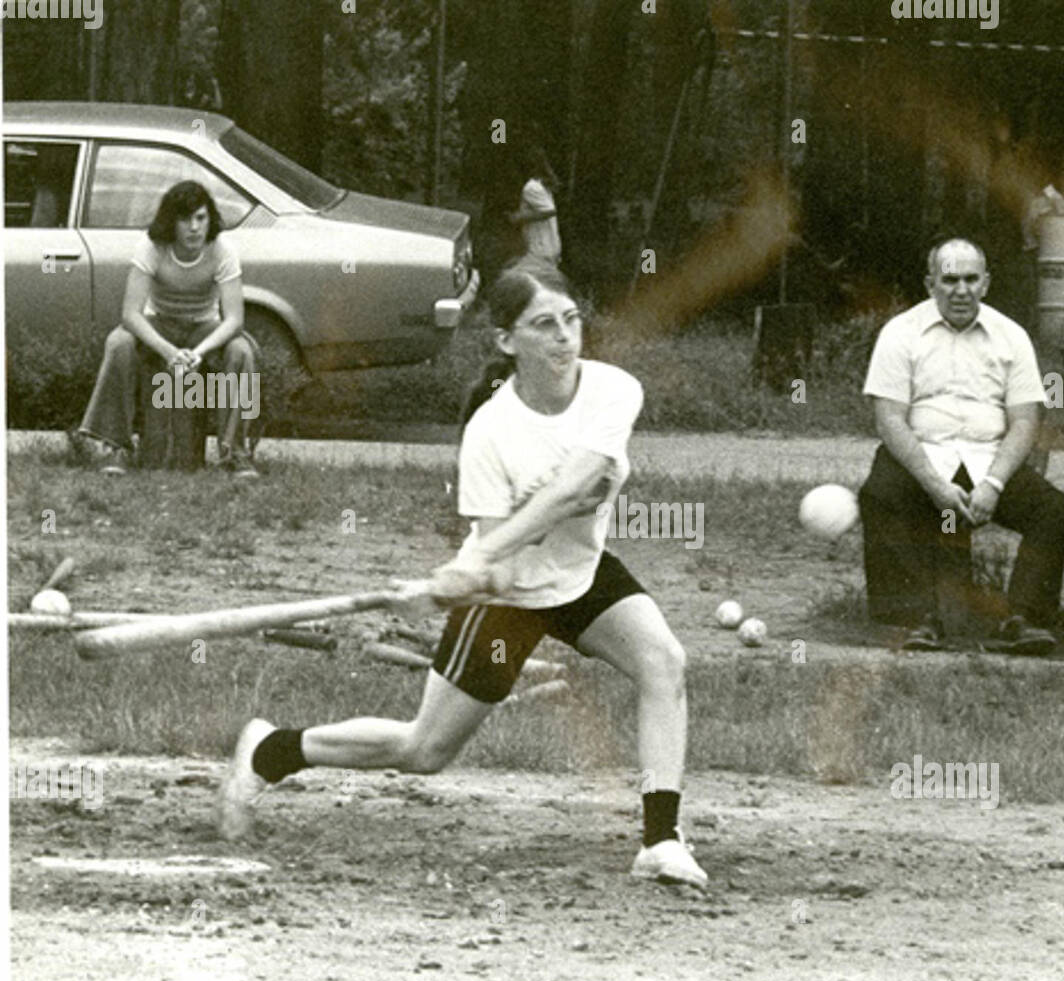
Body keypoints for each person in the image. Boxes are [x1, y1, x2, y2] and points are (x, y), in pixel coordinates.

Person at [217, 262, 708, 888]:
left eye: (571, 320)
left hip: (582, 578)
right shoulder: (490, 434)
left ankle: (660, 840)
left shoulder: (613, 390)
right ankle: (270, 749)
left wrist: (472, 558)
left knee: (664, 661)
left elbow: (573, 489)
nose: (564, 338)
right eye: (542, 326)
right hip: (506, 596)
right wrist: (467, 576)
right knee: (424, 750)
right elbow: (501, 567)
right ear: (507, 341)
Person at [858, 236, 1064, 654]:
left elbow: (1026, 419)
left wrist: (994, 483)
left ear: (986, 283)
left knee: (1053, 509)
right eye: (950, 279)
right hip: (921, 456)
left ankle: (1023, 619)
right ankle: (913, 619)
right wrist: (934, 484)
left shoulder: (1011, 337)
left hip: (988, 460)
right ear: (929, 284)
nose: (961, 290)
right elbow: (889, 419)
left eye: (971, 279)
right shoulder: (899, 333)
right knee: (880, 494)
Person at [70, 180, 258, 477]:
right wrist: (169, 352)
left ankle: (235, 452)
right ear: (172, 222)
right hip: (159, 324)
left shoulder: (222, 249)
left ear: (210, 220)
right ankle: (116, 447)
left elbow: (234, 319)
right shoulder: (152, 246)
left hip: (203, 328)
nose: (194, 228)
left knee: (241, 350)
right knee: (119, 343)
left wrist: (198, 352)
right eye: (185, 219)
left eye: (201, 218)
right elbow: (130, 315)